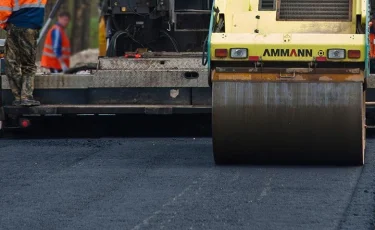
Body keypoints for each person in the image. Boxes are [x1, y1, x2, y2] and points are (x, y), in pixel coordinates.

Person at [0, 0, 46, 106]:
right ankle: (26, 97)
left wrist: (4, 25)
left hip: (14, 27)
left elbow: (3, 8)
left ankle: (18, 97)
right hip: (31, 27)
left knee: (12, 63)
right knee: (28, 64)